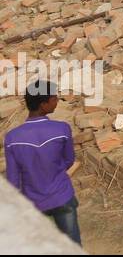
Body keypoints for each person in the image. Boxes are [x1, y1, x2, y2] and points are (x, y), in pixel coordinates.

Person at [4, 80, 80, 244]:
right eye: (54, 98)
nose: (57, 101)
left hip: (33, 203)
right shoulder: (61, 129)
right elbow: (69, 160)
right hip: (62, 196)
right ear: (43, 104)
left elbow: (13, 179)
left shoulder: (12, 138)